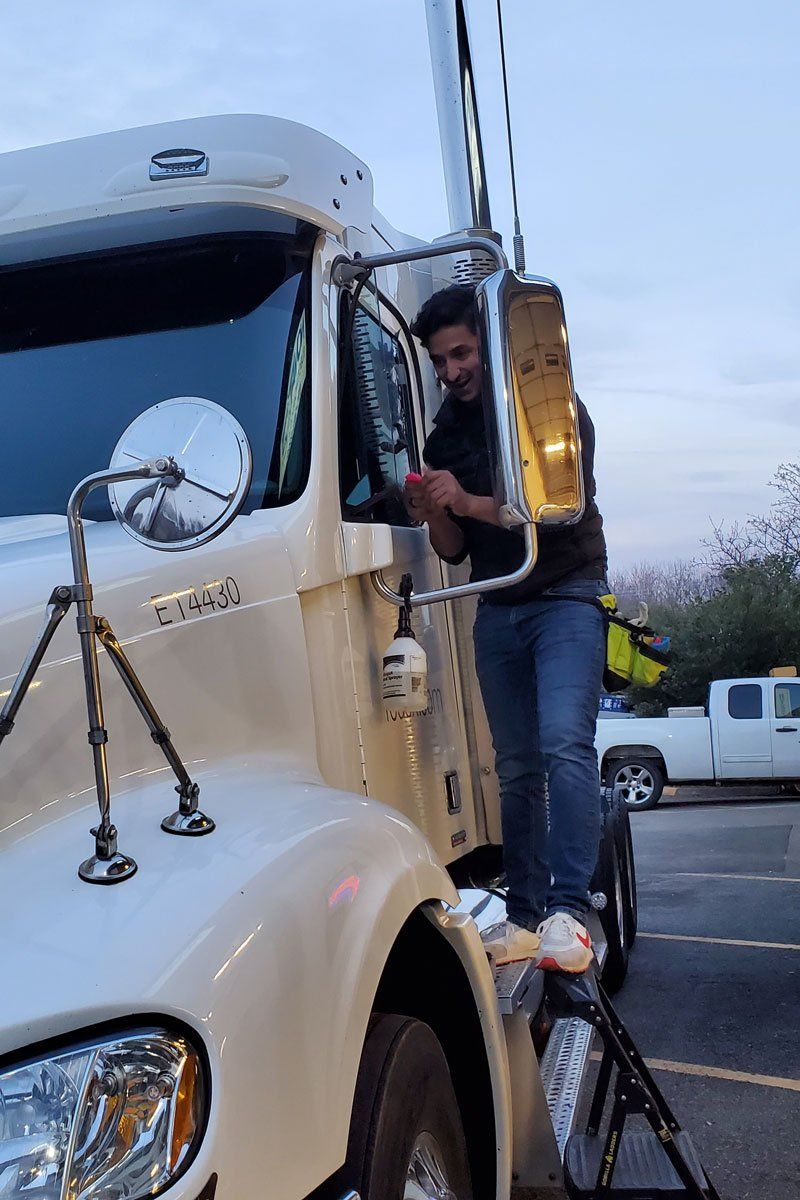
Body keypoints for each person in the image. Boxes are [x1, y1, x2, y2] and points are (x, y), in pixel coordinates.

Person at [407, 284, 608, 974]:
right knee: (517, 764)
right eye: (438, 361)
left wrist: (464, 498)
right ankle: (524, 918)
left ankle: (570, 912)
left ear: (488, 345)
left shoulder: (550, 411)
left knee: (563, 745)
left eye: (460, 353)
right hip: (497, 607)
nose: (451, 371)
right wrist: (432, 509)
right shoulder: (444, 435)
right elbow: (454, 549)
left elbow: (560, 511)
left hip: (566, 596)